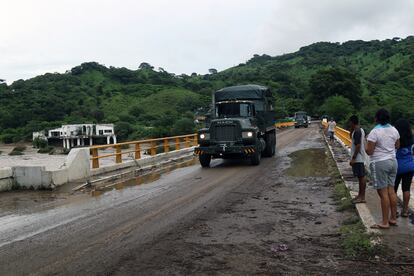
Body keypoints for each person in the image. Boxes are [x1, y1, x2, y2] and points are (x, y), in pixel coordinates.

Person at [366, 108, 400, 229]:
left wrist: (367, 146)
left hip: (380, 162)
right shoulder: (394, 130)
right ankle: (393, 219)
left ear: (376, 118)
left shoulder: (374, 132)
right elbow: (397, 145)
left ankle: (384, 222)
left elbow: (369, 151)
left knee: (383, 193)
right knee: (391, 191)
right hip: (393, 162)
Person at [393, 118, 414, 218]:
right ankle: (405, 211)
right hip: (410, 167)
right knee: (406, 189)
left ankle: (394, 211)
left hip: (397, 167)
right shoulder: (412, 138)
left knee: (393, 190)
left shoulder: (395, 138)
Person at [349, 115, 367, 204]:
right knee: (360, 177)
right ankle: (360, 195)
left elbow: (358, 145)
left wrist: (353, 158)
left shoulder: (357, 131)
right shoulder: (360, 130)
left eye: (350, 123)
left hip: (358, 158)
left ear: (352, 122)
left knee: (362, 177)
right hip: (359, 158)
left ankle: (362, 197)